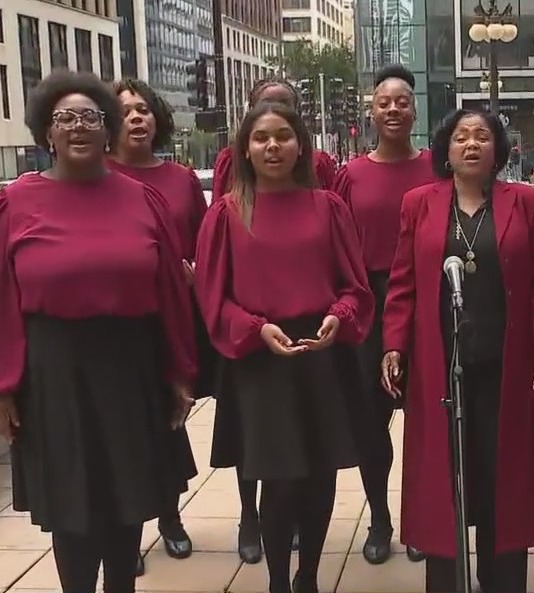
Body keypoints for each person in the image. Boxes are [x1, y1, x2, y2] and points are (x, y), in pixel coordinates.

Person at [0, 69, 196, 593]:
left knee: (128, 499)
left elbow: (171, 293)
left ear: (107, 128)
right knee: (72, 509)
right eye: (65, 117)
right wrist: (4, 384)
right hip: (54, 375)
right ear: (46, 131)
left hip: (131, 368)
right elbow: (2, 299)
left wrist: (179, 370)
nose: (78, 126)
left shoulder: (142, 199)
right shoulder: (17, 202)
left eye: (90, 117)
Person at [195, 101, 373, 593]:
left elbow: (355, 286)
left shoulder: (328, 207)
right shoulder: (227, 213)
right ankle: (278, 581)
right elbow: (212, 296)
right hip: (262, 362)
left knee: (320, 475)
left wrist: (340, 315)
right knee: (279, 479)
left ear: (300, 146)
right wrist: (254, 329)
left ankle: (308, 577)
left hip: (320, 354)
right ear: (245, 149)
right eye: (261, 138)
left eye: (283, 136)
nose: (272, 146)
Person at [380, 108, 534, 593]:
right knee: (445, 479)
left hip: (506, 368)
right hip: (442, 367)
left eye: (482, 136)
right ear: (446, 150)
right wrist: (393, 344)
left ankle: (502, 580)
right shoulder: (419, 203)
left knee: (503, 477)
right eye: (462, 137)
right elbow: (402, 283)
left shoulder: (526, 203)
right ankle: (447, 582)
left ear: (498, 150)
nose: (472, 144)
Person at [331, 64, 435, 564]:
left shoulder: (438, 168)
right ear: (371, 111)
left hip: (427, 301)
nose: (393, 109)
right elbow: (335, 246)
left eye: (403, 101)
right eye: (384, 102)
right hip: (369, 302)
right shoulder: (350, 176)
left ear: (415, 110)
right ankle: (379, 518)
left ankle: (423, 521)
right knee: (372, 423)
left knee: (428, 423)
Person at [108, 77, 210, 575]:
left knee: (169, 418)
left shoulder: (181, 178)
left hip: (174, 316)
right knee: (122, 429)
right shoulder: (97, 176)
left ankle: (169, 516)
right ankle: (124, 531)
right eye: (125, 110)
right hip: (120, 322)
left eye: (144, 109)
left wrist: (196, 271)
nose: (136, 117)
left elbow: (207, 240)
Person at [212, 76, 337, 195]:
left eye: (284, 105)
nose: (275, 111)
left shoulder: (319, 163)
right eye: (266, 104)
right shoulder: (229, 162)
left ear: (297, 112)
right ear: (251, 111)